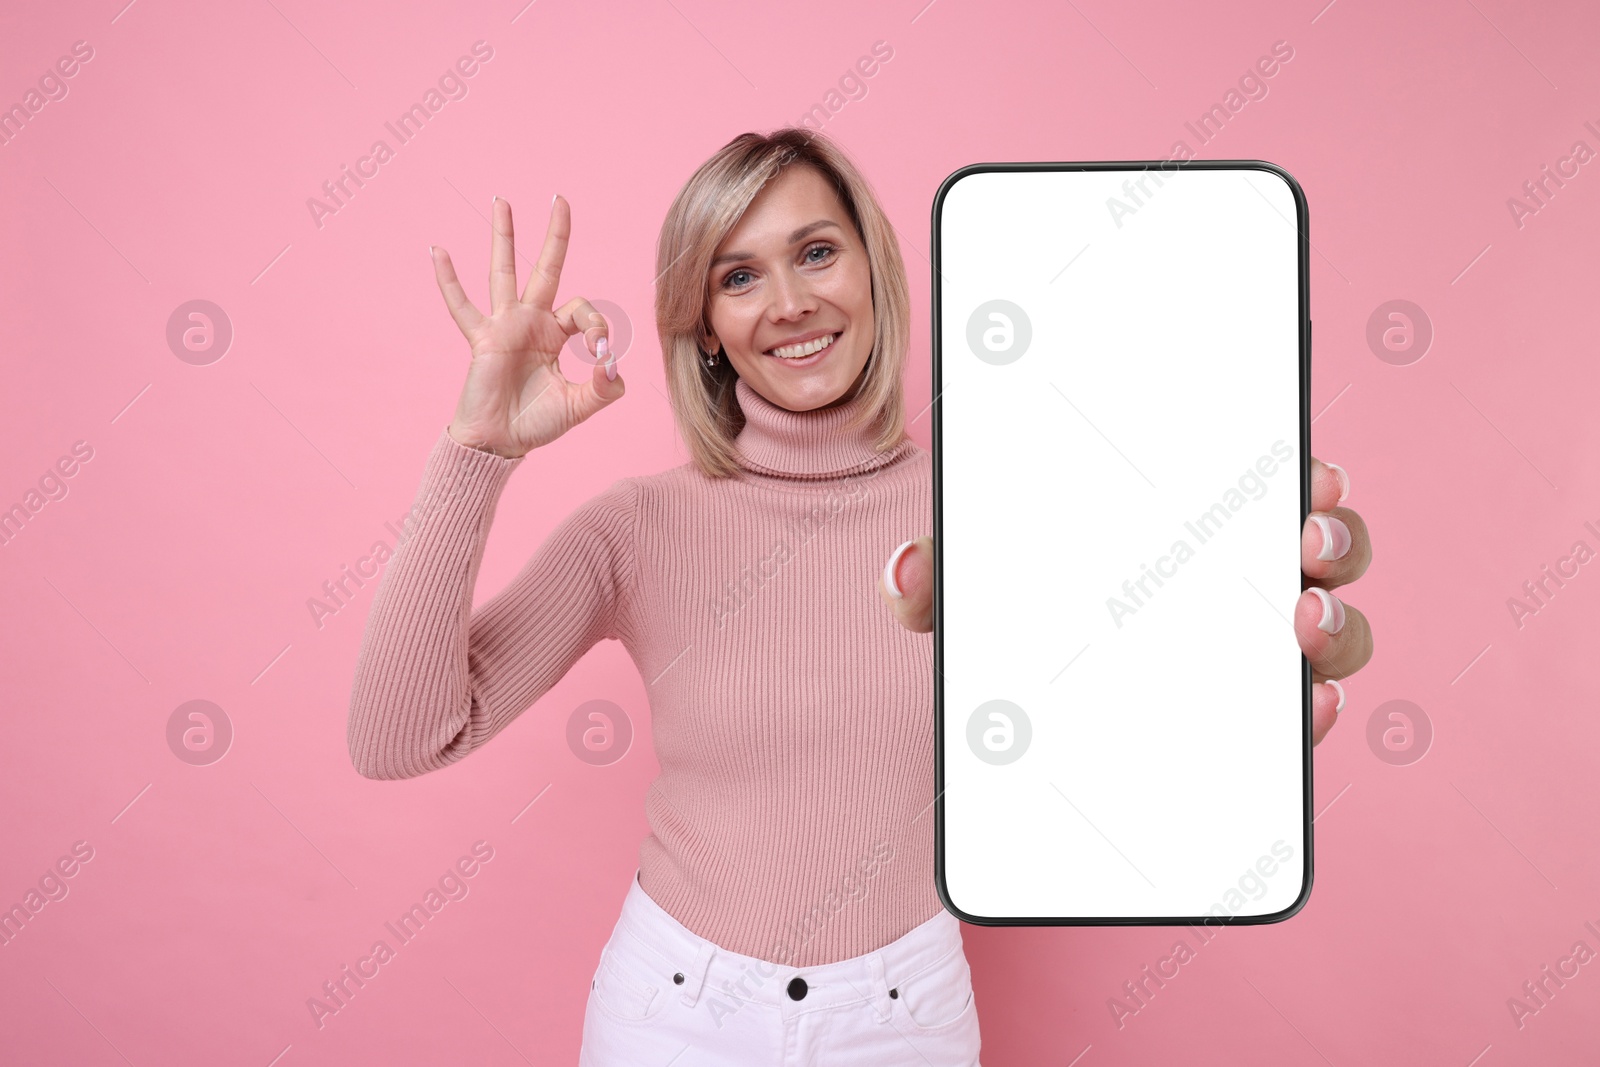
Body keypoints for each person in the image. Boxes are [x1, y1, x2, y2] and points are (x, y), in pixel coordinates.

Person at [345, 128, 1374, 1066]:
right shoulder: (636, 527)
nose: (787, 301)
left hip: (905, 1014)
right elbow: (399, 735)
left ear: (876, 270)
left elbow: (1113, 723)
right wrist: (476, 450)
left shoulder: (1002, 505)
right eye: (736, 274)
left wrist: (1240, 684)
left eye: (817, 251)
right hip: (671, 1012)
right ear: (702, 326)